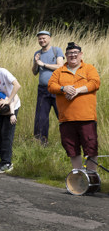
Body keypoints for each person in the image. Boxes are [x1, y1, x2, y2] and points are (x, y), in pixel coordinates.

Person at [47, 42, 100, 171]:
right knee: (71, 148)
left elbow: (95, 83)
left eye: (76, 53)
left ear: (81, 54)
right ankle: (78, 178)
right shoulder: (59, 71)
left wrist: (77, 90)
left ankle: (92, 178)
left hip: (86, 117)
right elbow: (50, 86)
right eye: (70, 53)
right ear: (65, 55)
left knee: (91, 148)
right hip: (67, 119)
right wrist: (63, 88)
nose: (73, 55)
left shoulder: (89, 68)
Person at [31, 31, 64, 145]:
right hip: (43, 90)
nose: (42, 41)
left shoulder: (56, 50)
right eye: (40, 39)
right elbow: (34, 72)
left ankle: (68, 141)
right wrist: (36, 62)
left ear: (49, 38)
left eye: (44, 38)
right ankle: (41, 143)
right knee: (41, 117)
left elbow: (60, 67)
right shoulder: (37, 53)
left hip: (57, 89)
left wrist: (43, 64)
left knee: (62, 115)